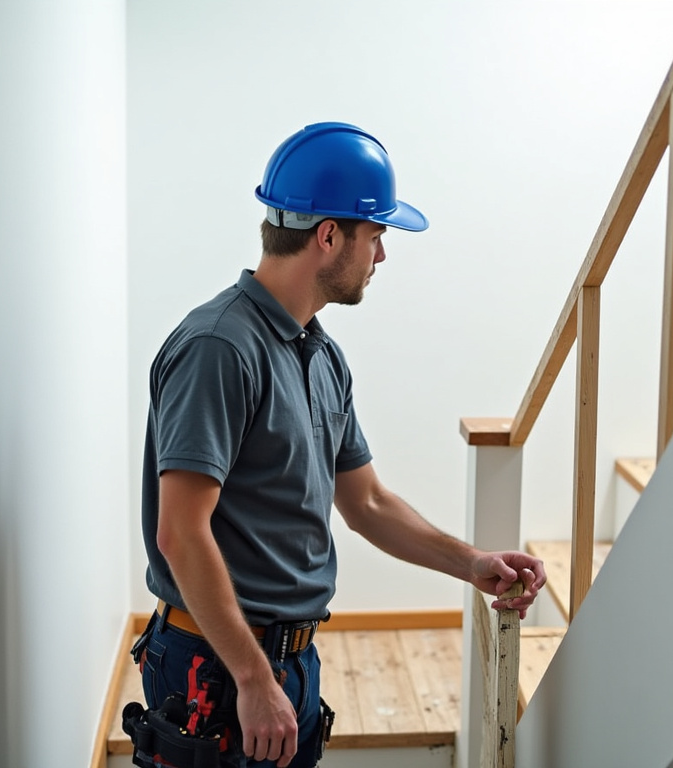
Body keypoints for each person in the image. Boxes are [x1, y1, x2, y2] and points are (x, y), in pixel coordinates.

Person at [132, 122, 547, 768]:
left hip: (290, 664)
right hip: (215, 671)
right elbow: (179, 534)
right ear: (328, 236)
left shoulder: (320, 355)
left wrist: (472, 564)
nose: (381, 255)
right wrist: (250, 678)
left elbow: (369, 504)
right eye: (375, 235)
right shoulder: (219, 349)